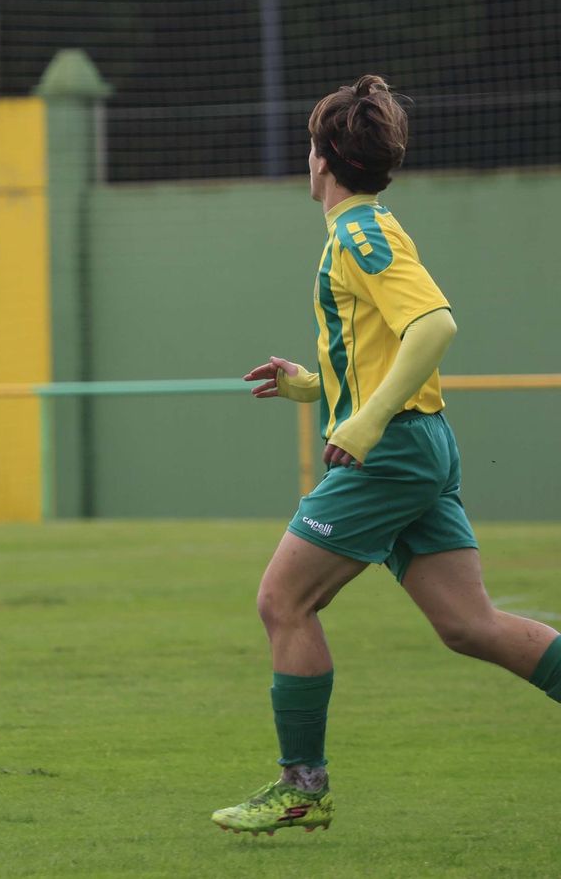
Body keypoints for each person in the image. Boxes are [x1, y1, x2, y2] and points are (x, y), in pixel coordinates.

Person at [212, 76, 561, 835]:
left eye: (310, 146)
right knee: (469, 624)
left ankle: (301, 787)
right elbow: (381, 345)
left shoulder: (358, 234)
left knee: (284, 600)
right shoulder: (369, 229)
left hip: (393, 448)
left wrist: (364, 424)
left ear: (325, 157)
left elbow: (433, 326)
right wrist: (313, 388)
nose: (307, 160)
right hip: (415, 441)